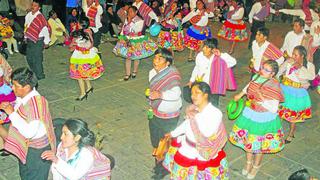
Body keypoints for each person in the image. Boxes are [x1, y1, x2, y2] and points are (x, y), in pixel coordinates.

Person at [229, 60, 285, 179]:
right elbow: (249, 86)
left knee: (259, 145)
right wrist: (240, 94)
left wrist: (261, 99)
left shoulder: (274, 86)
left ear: (272, 74)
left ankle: (256, 166)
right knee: (247, 141)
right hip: (250, 113)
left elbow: (274, 109)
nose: (262, 71)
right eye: (262, 68)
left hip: (263, 118)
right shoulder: (256, 76)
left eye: (266, 70)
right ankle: (248, 163)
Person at [163, 82, 229, 179]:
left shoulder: (215, 113)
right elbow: (186, 124)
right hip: (187, 149)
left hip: (202, 153)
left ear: (205, 95)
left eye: (197, 93)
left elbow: (207, 132)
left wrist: (195, 116)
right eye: (192, 93)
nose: (193, 96)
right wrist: (173, 133)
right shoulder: (194, 109)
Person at [0, 67, 56, 180]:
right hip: (26, 146)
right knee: (25, 173)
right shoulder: (24, 96)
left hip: (37, 151)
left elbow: (29, 132)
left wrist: (11, 113)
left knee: (34, 176)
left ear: (26, 87)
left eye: (15, 85)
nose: (12, 88)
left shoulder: (36, 105)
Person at [147, 48, 182, 179]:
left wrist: (160, 94)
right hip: (155, 112)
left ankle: (163, 168)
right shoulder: (152, 72)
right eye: (155, 58)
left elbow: (176, 94)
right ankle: (159, 164)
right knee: (156, 140)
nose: (155, 61)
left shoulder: (173, 74)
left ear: (167, 63)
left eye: (160, 59)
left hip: (169, 115)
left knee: (165, 142)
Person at [41, 118, 111, 180]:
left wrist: (56, 160)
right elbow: (56, 170)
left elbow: (74, 176)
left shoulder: (86, 155)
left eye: (66, 134)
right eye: (62, 133)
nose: (61, 137)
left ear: (77, 137)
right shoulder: (62, 146)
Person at [278, 45, 315, 144]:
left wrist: (300, 67)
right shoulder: (289, 61)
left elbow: (311, 77)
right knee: (281, 111)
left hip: (297, 93)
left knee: (292, 115)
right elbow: (279, 71)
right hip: (285, 89)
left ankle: (291, 133)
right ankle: (277, 131)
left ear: (302, 56)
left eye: (296, 55)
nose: (293, 56)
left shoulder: (309, 65)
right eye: (293, 54)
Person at [187, 38, 237, 106]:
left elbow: (233, 62)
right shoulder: (200, 56)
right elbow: (196, 68)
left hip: (214, 86)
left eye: (207, 47)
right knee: (200, 102)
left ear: (213, 49)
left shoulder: (219, 58)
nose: (204, 49)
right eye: (204, 46)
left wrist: (221, 55)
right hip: (202, 84)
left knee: (213, 103)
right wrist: (191, 80)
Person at [113, 6, 157, 81]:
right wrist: (121, 36)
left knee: (137, 56)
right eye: (128, 12)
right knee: (128, 57)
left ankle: (134, 71)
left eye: (131, 12)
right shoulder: (127, 19)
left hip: (136, 40)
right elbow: (124, 29)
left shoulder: (140, 20)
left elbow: (136, 30)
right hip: (127, 39)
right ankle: (127, 73)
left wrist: (130, 22)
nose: (129, 13)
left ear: (136, 12)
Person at [69, 17, 105, 101]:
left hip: (79, 56)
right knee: (84, 72)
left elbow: (71, 44)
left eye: (78, 23)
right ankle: (89, 87)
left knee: (79, 74)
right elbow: (91, 44)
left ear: (80, 24)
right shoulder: (89, 31)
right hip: (88, 55)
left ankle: (83, 93)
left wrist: (75, 44)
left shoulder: (78, 34)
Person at [24, 0, 51, 80]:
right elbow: (26, 26)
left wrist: (46, 42)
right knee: (29, 58)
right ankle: (33, 72)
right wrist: (25, 37)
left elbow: (45, 30)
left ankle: (40, 75)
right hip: (29, 39)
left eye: (35, 6)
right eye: (32, 5)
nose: (33, 7)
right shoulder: (28, 15)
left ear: (39, 8)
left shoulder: (40, 17)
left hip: (38, 41)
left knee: (37, 58)